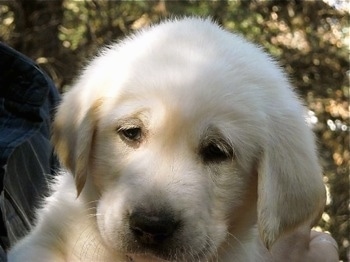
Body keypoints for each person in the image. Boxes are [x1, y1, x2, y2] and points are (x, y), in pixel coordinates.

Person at [0, 42, 339, 262]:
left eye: (216, 152)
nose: (153, 214)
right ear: (84, 139)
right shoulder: (65, 228)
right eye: (131, 132)